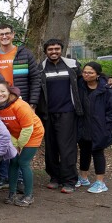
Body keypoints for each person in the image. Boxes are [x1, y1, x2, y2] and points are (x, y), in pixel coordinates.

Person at [37, 39, 83, 193]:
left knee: (67, 148)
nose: (54, 52)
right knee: (51, 148)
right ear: (45, 52)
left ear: (61, 50)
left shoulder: (72, 65)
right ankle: (55, 177)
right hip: (47, 114)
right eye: (50, 49)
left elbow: (89, 77)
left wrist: (107, 79)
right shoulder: (41, 68)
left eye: (57, 49)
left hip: (67, 113)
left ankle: (69, 180)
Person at [0, 81, 45, 206]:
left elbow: (28, 128)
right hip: (14, 136)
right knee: (13, 161)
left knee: (23, 162)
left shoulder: (20, 105)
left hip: (32, 133)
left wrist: (19, 145)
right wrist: (14, 143)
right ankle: (12, 194)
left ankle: (28, 195)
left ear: (9, 92)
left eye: (2, 91)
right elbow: (1, 128)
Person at [76, 62, 112, 194]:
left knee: (97, 152)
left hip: (101, 129)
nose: (86, 75)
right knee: (84, 151)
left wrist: (104, 125)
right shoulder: (81, 85)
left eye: (90, 72)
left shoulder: (107, 90)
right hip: (84, 126)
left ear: (97, 74)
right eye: (85, 72)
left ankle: (100, 182)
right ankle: (83, 177)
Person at [0, 24, 42, 109]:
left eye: (7, 33)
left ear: (13, 35)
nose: (4, 37)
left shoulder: (25, 54)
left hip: (22, 100)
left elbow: (35, 79)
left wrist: (33, 103)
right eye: (1, 34)